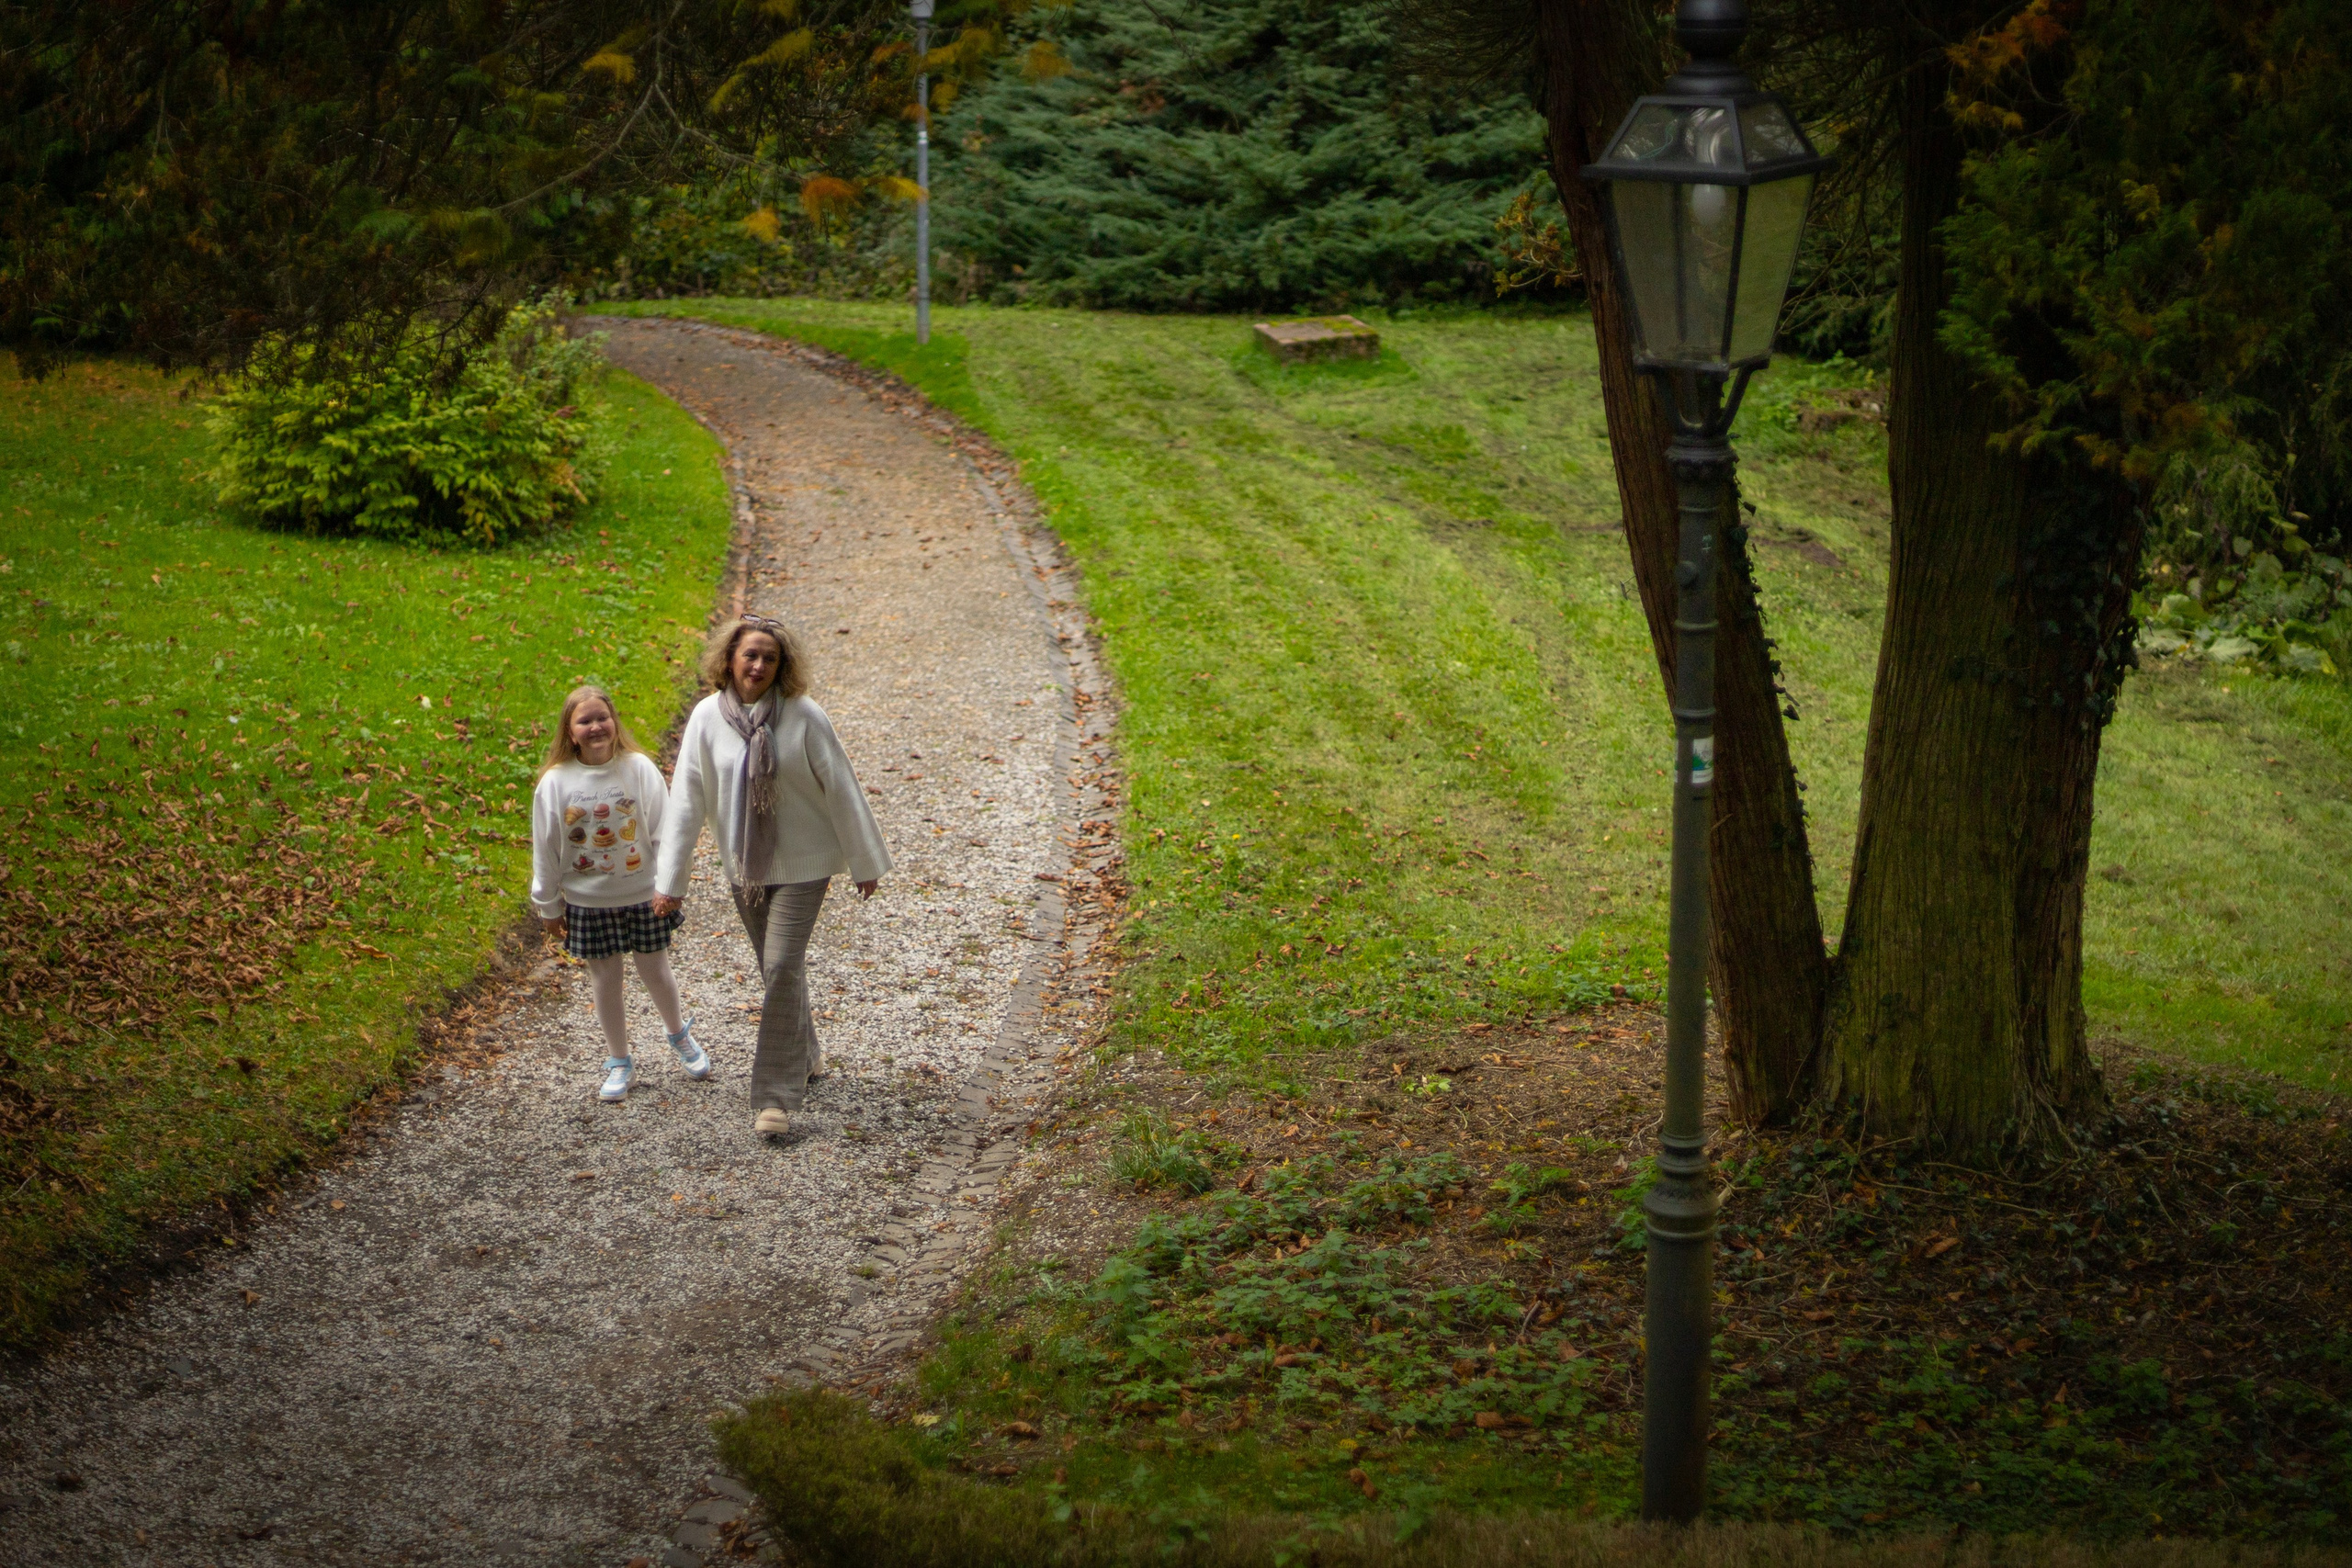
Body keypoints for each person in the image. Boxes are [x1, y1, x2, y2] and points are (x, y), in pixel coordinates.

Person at [654, 615, 889, 1140]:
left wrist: (865, 862)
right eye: (750, 656)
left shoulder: (804, 717)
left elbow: (842, 788)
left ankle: (775, 1099)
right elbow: (686, 802)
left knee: (782, 962)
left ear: (782, 667)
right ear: (730, 660)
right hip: (746, 869)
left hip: (806, 865)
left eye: (770, 658)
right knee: (776, 966)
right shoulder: (705, 719)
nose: (758, 666)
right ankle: (805, 1052)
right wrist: (670, 880)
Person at [529, 684, 710, 1103]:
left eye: (601, 718)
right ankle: (619, 1060)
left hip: (643, 894)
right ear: (569, 731)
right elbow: (547, 846)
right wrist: (548, 905)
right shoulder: (556, 784)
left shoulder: (638, 769)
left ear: (614, 722)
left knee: (655, 970)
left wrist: (669, 885)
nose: (595, 727)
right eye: (584, 721)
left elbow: (666, 831)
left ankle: (678, 1034)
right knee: (605, 978)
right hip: (587, 901)